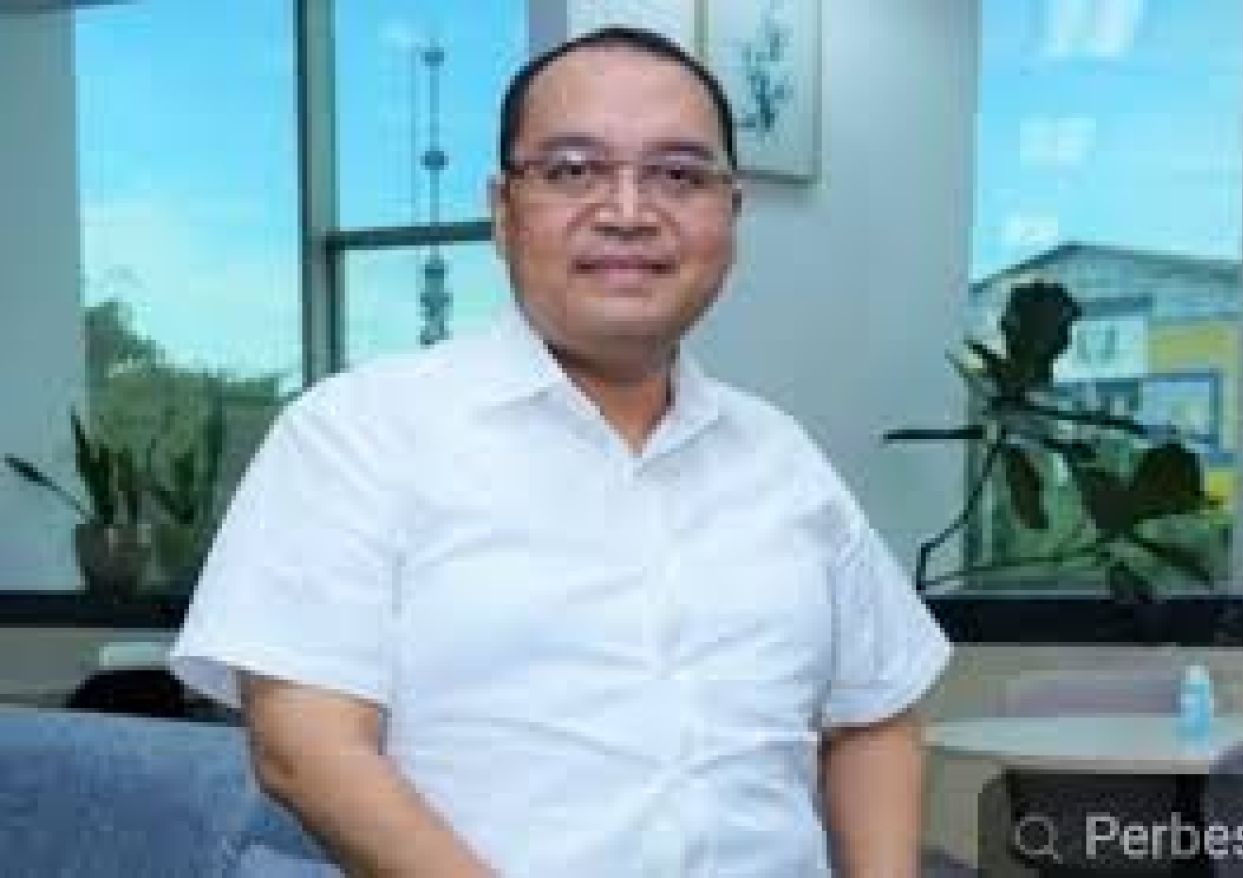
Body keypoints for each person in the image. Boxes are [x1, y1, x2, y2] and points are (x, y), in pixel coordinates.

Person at [170, 25, 951, 877]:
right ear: (503, 211)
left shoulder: (780, 458)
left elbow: (874, 713)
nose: (628, 213)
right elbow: (305, 746)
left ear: (731, 213)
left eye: (679, 176)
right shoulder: (358, 433)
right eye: (574, 171)